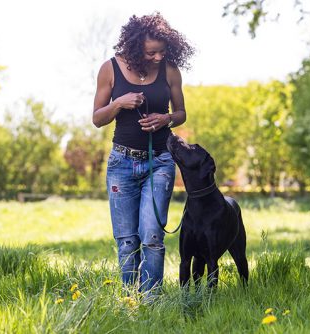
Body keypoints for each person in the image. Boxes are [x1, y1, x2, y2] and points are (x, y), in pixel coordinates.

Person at [92, 12, 194, 296]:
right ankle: (128, 300)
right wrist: (120, 103)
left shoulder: (170, 70)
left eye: (163, 51)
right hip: (121, 164)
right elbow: (98, 119)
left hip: (159, 161)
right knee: (126, 240)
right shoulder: (110, 69)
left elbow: (182, 113)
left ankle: (151, 300)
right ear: (137, 47)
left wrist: (166, 120)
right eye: (152, 52)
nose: (159, 57)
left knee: (152, 237)